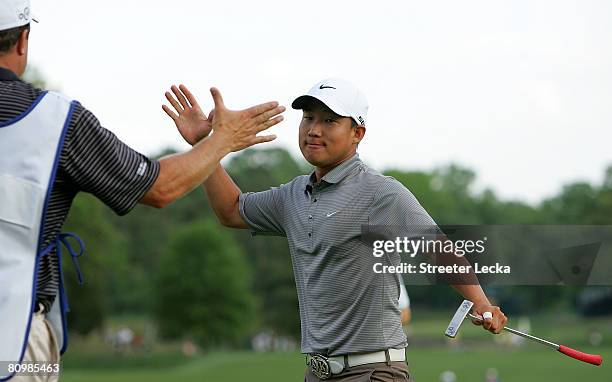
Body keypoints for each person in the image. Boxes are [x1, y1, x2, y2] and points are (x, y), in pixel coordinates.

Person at [0, 2, 284, 380]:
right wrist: (221, 140)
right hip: (15, 335)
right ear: (23, 41)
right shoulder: (54, 120)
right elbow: (158, 188)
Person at [164, 78, 507, 381]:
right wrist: (203, 145)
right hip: (318, 373)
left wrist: (480, 301)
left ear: (357, 133)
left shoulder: (380, 192)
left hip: (374, 372)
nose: (314, 129)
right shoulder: (292, 195)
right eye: (308, 118)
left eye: (329, 121)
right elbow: (231, 210)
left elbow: (437, 247)